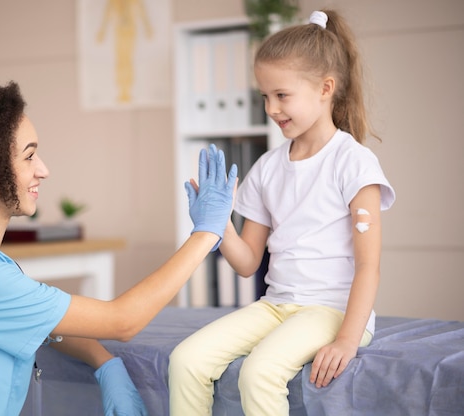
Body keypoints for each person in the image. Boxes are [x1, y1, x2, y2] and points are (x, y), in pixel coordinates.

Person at [0, 77, 237, 416]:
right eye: (29, 156)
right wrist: (205, 234)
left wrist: (103, 361)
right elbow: (122, 321)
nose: (44, 170)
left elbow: (40, 319)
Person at [169, 9, 396, 415]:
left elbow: (368, 267)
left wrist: (347, 338)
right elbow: (247, 262)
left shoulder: (354, 163)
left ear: (326, 88)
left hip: (332, 308)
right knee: (185, 361)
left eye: (282, 95)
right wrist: (218, 224)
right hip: (275, 306)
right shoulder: (268, 168)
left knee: (259, 372)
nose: (271, 109)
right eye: (265, 97)